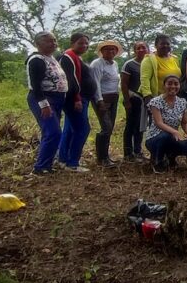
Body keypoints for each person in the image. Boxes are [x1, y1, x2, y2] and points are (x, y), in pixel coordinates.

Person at [26, 31, 68, 175]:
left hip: (57, 99)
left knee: (49, 132)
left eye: (54, 40)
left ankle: (47, 163)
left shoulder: (51, 58)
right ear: (37, 44)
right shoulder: (37, 60)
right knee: (53, 132)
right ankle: (40, 167)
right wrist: (44, 105)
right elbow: (35, 86)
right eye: (48, 41)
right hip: (44, 99)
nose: (53, 44)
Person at [145, 75, 187, 172]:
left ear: (180, 86)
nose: (173, 86)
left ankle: (171, 157)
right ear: (164, 86)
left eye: (176, 84)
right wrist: (174, 131)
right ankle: (158, 161)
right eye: (169, 84)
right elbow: (159, 123)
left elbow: (185, 122)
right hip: (155, 137)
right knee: (166, 136)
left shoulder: (182, 102)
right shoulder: (156, 101)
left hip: (173, 137)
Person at [58, 32, 94, 172]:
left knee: (69, 129)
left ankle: (63, 159)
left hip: (80, 98)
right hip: (75, 99)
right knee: (82, 129)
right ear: (72, 43)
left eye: (86, 43)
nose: (84, 45)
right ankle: (73, 162)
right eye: (81, 43)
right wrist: (76, 98)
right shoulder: (68, 57)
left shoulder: (76, 57)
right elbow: (71, 80)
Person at [90, 40, 123, 168]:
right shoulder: (97, 64)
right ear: (101, 51)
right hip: (102, 99)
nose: (110, 51)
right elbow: (96, 83)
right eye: (107, 49)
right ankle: (102, 158)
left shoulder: (114, 64)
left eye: (113, 49)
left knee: (110, 127)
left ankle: (106, 156)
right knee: (106, 127)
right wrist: (100, 101)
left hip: (113, 98)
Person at [120, 41, 149, 162]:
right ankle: (128, 153)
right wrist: (127, 101)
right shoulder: (129, 64)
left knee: (140, 126)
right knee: (131, 126)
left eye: (144, 47)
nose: (141, 50)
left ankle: (138, 151)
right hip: (133, 99)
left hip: (145, 99)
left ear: (148, 49)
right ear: (134, 50)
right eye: (138, 48)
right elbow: (124, 84)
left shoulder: (149, 63)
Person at [139, 34, 180, 102]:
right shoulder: (149, 59)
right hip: (156, 99)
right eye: (162, 44)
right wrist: (147, 96)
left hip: (173, 98)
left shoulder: (174, 58)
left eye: (168, 44)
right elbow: (144, 79)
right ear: (156, 45)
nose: (165, 46)